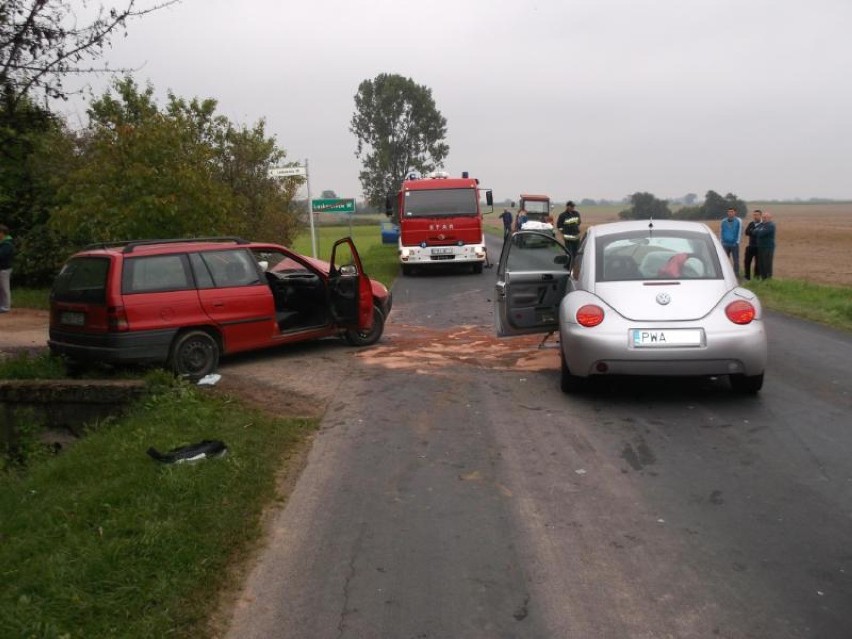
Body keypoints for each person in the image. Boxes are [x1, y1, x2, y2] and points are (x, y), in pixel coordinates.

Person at [719, 207, 742, 277]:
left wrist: (737, 241)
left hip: (734, 244)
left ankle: (736, 274)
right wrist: (721, 241)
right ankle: (725, 274)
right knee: (724, 260)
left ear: (735, 212)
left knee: (736, 260)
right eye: (729, 212)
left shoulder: (738, 221)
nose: (730, 213)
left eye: (732, 211)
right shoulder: (723, 221)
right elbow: (721, 231)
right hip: (725, 244)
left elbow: (740, 231)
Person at [753, 210, 776, 279]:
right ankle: (763, 278)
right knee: (761, 263)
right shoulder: (762, 225)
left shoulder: (771, 225)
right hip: (760, 247)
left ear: (770, 218)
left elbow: (761, 233)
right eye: (763, 217)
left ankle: (768, 278)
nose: (764, 218)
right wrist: (759, 231)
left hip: (768, 247)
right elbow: (754, 232)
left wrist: (759, 231)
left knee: (767, 263)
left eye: (765, 217)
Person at [743, 209, 762, 280]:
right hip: (751, 246)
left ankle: (756, 277)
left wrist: (752, 231)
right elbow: (746, 232)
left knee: (758, 264)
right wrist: (754, 231)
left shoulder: (763, 224)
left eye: (756, 215)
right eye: (754, 215)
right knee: (747, 262)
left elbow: (760, 234)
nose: (755, 216)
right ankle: (747, 277)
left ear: (760, 216)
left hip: (759, 247)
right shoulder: (751, 224)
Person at [0, 224, 13, 313]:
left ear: (2, 233)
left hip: (4, 269)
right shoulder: (2, 242)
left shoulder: (7, 244)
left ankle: (6, 307)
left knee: (4, 288)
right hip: (1, 268)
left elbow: (1, 255)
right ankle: (2, 305)